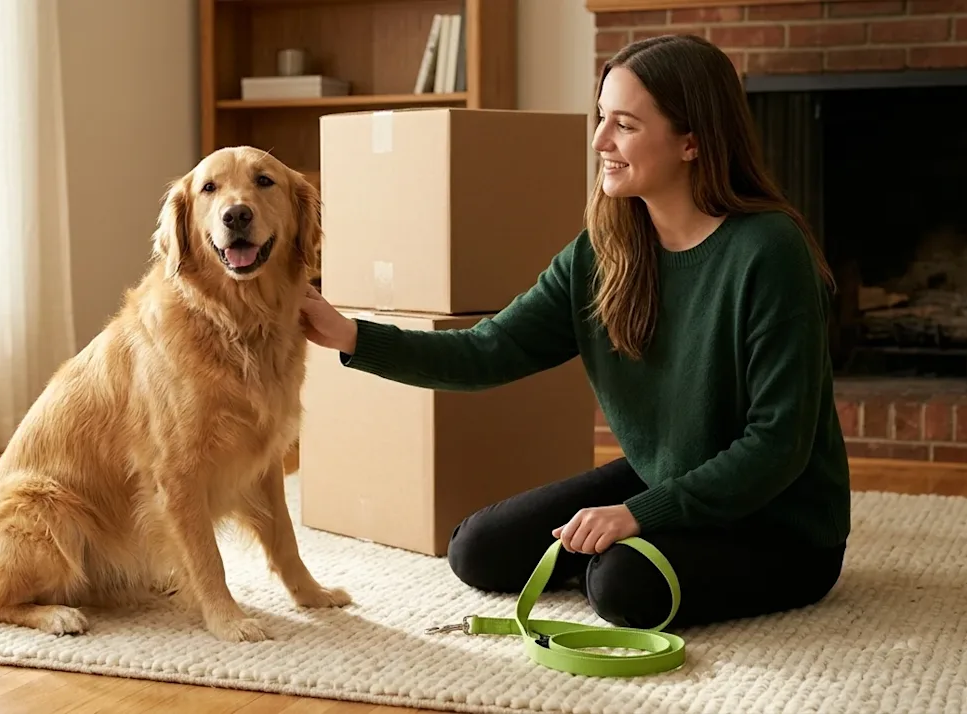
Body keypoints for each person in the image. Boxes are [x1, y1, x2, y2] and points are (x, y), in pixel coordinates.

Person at [299, 34, 850, 631]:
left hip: (780, 526)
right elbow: (487, 352)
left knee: (620, 584)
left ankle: (629, 554)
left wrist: (639, 513)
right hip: (670, 473)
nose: (599, 141)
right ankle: (628, 546)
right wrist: (350, 334)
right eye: (600, 118)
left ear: (691, 141)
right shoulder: (603, 251)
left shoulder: (769, 251)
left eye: (625, 125)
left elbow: (777, 446)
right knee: (478, 548)